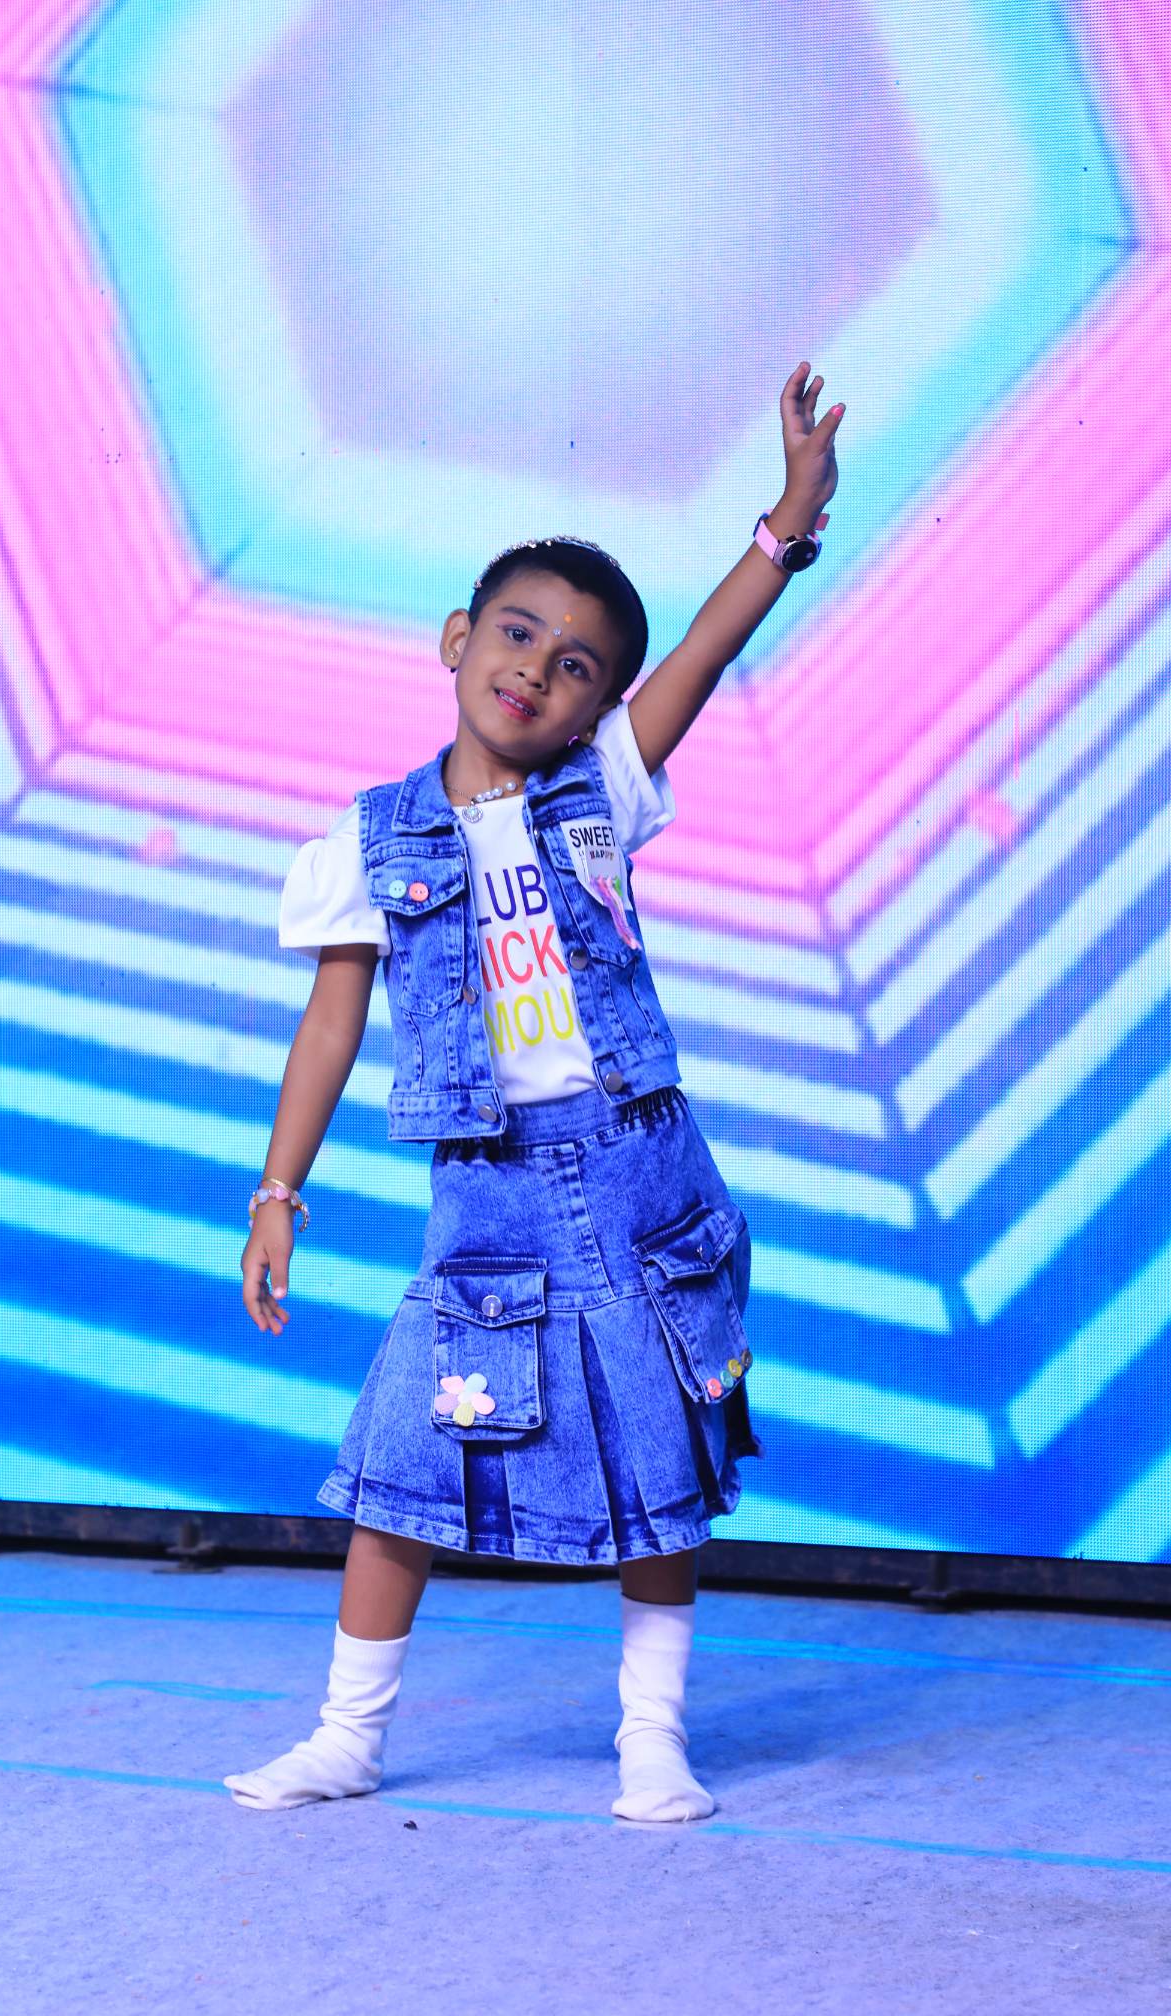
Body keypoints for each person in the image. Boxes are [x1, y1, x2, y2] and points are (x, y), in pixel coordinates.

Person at [225, 362, 844, 1823]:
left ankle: (653, 1740)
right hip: (487, 1190)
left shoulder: (605, 790)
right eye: (517, 634)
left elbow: (704, 650)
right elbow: (331, 1025)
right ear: (457, 639)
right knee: (403, 1456)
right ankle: (349, 1737)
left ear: (598, 706)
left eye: (577, 665)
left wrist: (786, 526)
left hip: (636, 1172)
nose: (536, 671)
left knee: (658, 1452)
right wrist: (277, 1192)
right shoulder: (369, 840)